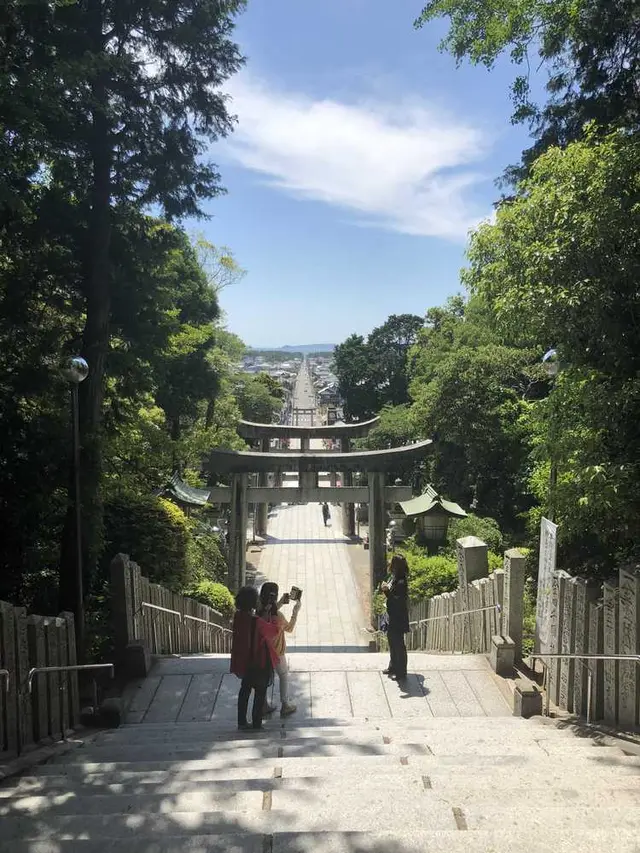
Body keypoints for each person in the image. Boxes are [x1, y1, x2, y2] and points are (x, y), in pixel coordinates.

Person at [230, 585, 279, 730]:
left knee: (244, 691)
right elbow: (273, 631)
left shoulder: (238, 617)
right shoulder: (256, 622)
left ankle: (242, 722)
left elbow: (252, 627)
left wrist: (263, 613)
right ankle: (257, 724)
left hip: (245, 661)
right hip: (259, 661)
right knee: (260, 691)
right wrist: (274, 615)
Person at [258, 581, 301, 717]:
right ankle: (285, 704)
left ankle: (263, 704)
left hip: (261, 652)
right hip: (277, 652)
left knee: (263, 678)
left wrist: (281, 603)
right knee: (283, 675)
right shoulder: (279, 617)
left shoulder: (258, 613)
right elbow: (289, 628)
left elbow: (268, 611)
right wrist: (295, 612)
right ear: (275, 597)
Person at [380, 554, 410, 681]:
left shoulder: (401, 582)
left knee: (398, 644)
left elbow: (397, 600)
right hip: (392, 615)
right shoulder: (396, 578)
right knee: (392, 642)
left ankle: (401, 671)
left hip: (398, 618)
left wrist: (386, 591)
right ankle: (393, 666)